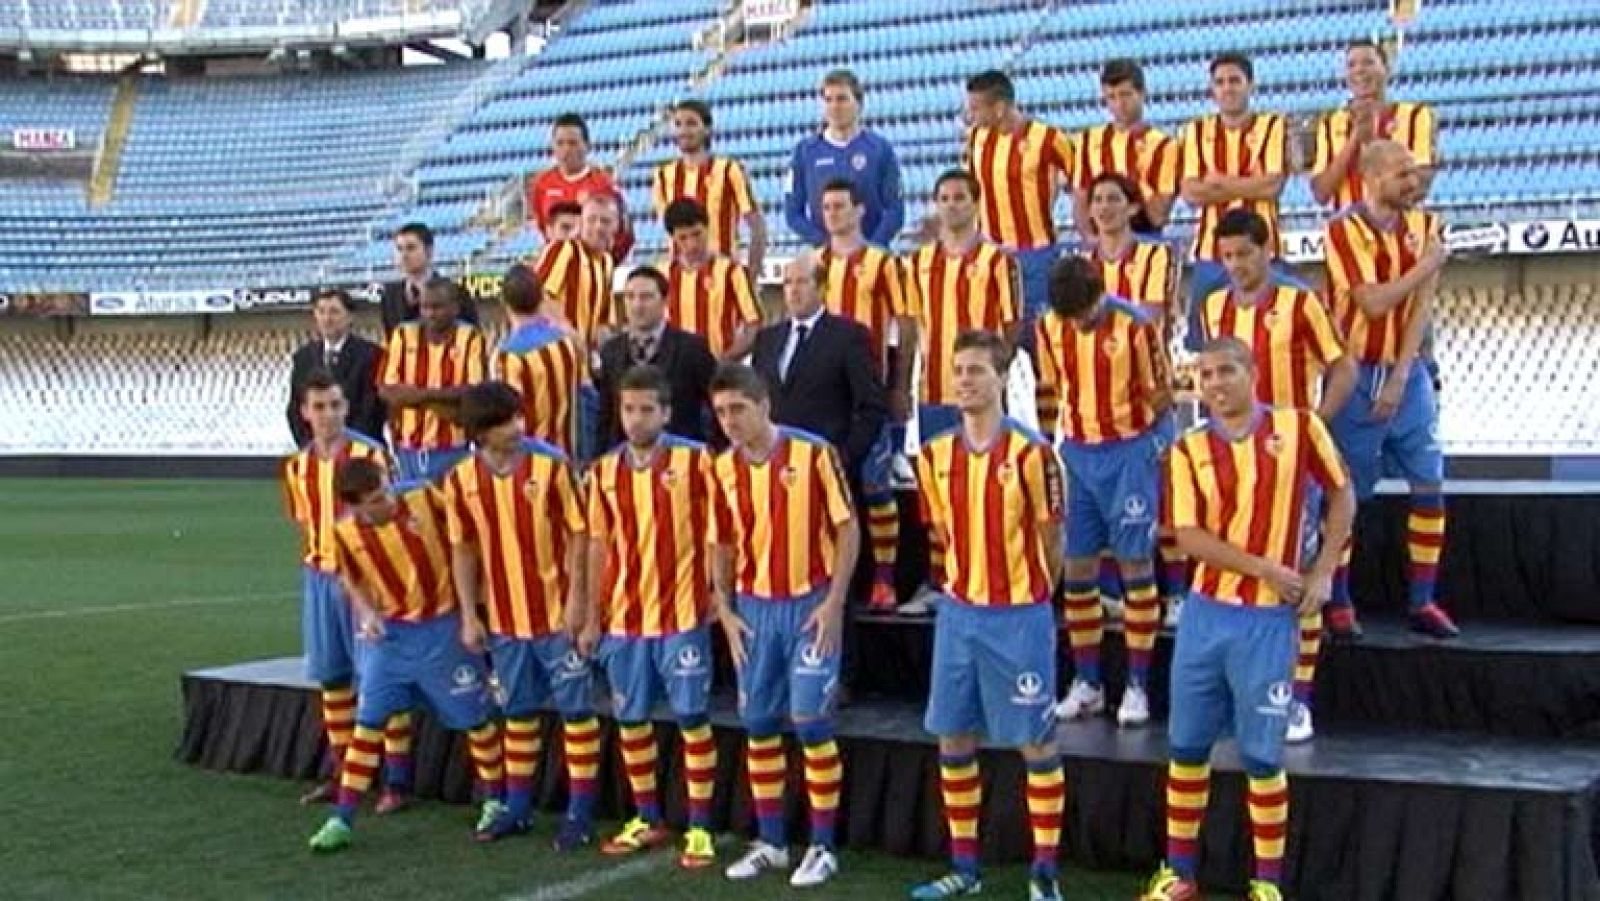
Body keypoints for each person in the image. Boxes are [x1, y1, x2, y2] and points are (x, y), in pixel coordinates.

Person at [1141, 337, 1354, 901]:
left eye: (1225, 370)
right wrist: (1264, 567)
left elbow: (1343, 495)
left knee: (1262, 756)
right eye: (1205, 374)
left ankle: (1267, 884)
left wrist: (1324, 573)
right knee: (1187, 747)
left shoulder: (1300, 427)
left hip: (1267, 622)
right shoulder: (1186, 450)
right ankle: (1178, 876)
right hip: (1206, 616)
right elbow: (1189, 538)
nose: (1214, 383)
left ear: (1252, 372)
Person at [910, 330, 1067, 901]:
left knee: (1035, 743)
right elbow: (941, 533)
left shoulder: (1033, 454)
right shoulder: (934, 456)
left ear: (1002, 378)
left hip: (1019, 616)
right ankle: (965, 869)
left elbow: (1052, 538)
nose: (965, 381)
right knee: (953, 739)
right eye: (958, 370)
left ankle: (1044, 873)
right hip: (959, 616)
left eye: (976, 370)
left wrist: (1032, 595)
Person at [1194, 208, 1357, 742]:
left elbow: (1343, 365)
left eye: (1244, 253)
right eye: (1227, 256)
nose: (1235, 265)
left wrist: (1315, 424)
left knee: (1298, 579)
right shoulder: (1213, 305)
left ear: (1268, 251)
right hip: (1231, 462)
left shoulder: (1299, 301)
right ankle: (1243, 695)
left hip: (1288, 460)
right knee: (1238, 577)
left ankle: (1297, 701)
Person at [708, 363, 859, 888]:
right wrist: (724, 608)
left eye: (738, 409)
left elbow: (848, 528)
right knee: (759, 724)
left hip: (809, 605)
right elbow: (721, 542)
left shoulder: (814, 454)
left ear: (764, 406)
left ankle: (823, 846)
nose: (729, 421)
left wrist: (835, 602)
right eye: (721, 412)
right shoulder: (721, 468)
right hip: (754, 611)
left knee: (811, 722)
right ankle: (772, 842)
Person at [306, 459, 506, 852]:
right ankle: (342, 818)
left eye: (385, 491)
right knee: (368, 724)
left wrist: (473, 612)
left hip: (442, 629)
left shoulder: (425, 496)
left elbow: (466, 539)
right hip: (392, 638)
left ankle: (496, 800)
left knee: (475, 719)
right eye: (375, 501)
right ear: (355, 507)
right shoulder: (344, 532)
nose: (387, 502)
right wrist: (366, 612)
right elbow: (349, 577)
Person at [443, 382, 598, 849]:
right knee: (518, 713)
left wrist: (577, 600)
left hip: (556, 616)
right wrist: (469, 614)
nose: (516, 427)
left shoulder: (551, 465)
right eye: (505, 421)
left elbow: (580, 534)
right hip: (506, 620)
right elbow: (463, 549)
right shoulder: (460, 480)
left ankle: (580, 813)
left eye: (517, 417)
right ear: (481, 432)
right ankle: (518, 808)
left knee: (576, 713)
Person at [584, 365, 721, 869]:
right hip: (624, 617)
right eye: (628, 409)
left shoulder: (697, 461)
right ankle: (647, 817)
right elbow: (597, 544)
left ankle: (701, 827)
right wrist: (591, 613)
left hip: (682, 613)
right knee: (631, 720)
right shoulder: (603, 472)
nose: (636, 419)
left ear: (666, 413)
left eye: (646, 409)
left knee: (692, 719)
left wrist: (717, 592)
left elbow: (719, 531)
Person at [1323, 140, 1459, 639]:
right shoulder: (1342, 230)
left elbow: (1421, 308)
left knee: (1429, 484)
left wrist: (1402, 376)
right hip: (1354, 372)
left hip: (1407, 370)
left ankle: (1423, 600)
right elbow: (1373, 303)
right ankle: (1338, 599)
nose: (1413, 181)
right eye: (1402, 173)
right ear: (1373, 177)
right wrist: (1426, 265)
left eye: (1413, 172)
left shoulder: (1425, 224)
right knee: (1345, 492)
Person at [1037, 257, 1172, 729]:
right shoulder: (1049, 326)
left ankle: (1137, 685)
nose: (1078, 324)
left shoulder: (1136, 327)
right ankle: (1087, 682)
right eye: (1070, 317)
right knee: (1078, 569)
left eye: (1085, 314)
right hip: (1077, 454)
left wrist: (1151, 450)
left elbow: (1162, 395)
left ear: (1101, 295)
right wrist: (1050, 444)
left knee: (1135, 566)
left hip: (1128, 451)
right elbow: (1051, 389)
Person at [751, 255, 887, 679]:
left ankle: (840, 671)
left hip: (828, 475)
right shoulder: (767, 340)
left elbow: (871, 406)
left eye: (801, 282)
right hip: (773, 477)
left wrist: (843, 459)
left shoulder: (848, 336)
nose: (792, 290)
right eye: (787, 283)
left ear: (822, 286)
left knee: (834, 572)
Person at [280, 373, 412, 809]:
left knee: (380, 680)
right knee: (333, 679)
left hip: (368, 582)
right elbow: (303, 522)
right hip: (320, 579)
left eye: (335, 405)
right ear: (304, 413)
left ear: (347, 408)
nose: (328, 415)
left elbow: (391, 516)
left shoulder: (370, 455)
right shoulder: (295, 467)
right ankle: (345, 774)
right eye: (319, 407)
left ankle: (397, 782)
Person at [905, 170, 1020, 604]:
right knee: (939, 492)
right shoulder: (918, 262)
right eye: (944, 198)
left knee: (990, 486)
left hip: (982, 398)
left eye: (959, 197)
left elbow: (1012, 326)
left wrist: (993, 377)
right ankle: (942, 580)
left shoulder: (998, 261)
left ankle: (990, 573)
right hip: (934, 391)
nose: (951, 205)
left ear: (976, 203)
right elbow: (913, 326)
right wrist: (904, 385)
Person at [1082, 172, 1186, 613]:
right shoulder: (1083, 263)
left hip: (1149, 395)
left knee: (1164, 498)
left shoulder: (1156, 255)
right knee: (1106, 500)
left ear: (1132, 207)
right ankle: (1112, 593)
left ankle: (1177, 593)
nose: (1105, 207)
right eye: (1097, 200)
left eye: (1114, 199)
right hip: (1099, 400)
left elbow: (1150, 318)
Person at [817, 177, 917, 607]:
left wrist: (900, 385)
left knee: (877, 487)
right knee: (824, 488)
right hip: (824, 391)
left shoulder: (883, 263)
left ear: (859, 210)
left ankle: (885, 578)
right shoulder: (814, 262)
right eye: (827, 208)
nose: (833, 214)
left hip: (868, 390)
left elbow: (906, 325)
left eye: (840, 206)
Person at [1178, 53, 1295, 347]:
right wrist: (1249, 185)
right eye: (1220, 82)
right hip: (1211, 255)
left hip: (1264, 252)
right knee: (1207, 343)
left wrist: (1218, 181)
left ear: (1250, 85)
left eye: (1234, 80)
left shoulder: (1272, 126)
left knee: (1271, 339)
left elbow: (1272, 186)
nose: (1227, 88)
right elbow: (1191, 193)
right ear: (1212, 90)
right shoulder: (1195, 131)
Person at [963, 69, 1074, 326]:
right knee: (992, 328)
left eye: (976, 109)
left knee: (1037, 328)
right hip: (990, 251)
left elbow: (1080, 178)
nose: (971, 115)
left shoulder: (1048, 138)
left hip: (1036, 252)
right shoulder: (976, 138)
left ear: (999, 108)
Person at [594, 267, 719, 451]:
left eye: (646, 297)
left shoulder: (692, 348)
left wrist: (713, 452)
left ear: (665, 301)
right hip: (626, 460)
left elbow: (716, 404)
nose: (637, 305)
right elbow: (605, 416)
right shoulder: (611, 351)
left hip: (682, 457)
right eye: (630, 297)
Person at [377, 279, 485, 483]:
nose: (430, 314)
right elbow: (386, 390)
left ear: (455, 308)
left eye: (437, 307)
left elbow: (473, 390)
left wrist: (418, 396)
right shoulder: (403, 335)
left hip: (454, 447)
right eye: (425, 307)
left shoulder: (470, 337)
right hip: (408, 448)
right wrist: (444, 402)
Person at [1311, 39, 1438, 211]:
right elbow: (1321, 193)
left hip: (1401, 221)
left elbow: (1421, 182)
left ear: (1387, 69)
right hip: (1349, 224)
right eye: (1351, 65)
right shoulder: (1329, 123)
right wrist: (1355, 139)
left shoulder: (1415, 116)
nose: (1359, 70)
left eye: (1368, 62)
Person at [785, 68, 905, 248]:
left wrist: (871, 248)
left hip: (872, 254)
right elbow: (793, 213)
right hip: (826, 256)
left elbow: (895, 209)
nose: (834, 106)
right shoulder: (805, 152)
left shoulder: (880, 149)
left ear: (859, 104)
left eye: (842, 99)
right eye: (828, 100)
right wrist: (827, 245)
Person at [653, 99, 766, 276]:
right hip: (681, 278)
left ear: (707, 129)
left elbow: (757, 226)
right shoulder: (663, 175)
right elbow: (670, 233)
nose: (683, 130)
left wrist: (751, 275)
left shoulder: (729, 170)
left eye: (691, 123)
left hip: (723, 275)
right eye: (678, 124)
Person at [1073, 59, 1179, 239]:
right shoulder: (1088, 141)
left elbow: (1158, 216)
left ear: (1142, 94)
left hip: (1145, 238)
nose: (1119, 104)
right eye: (1111, 97)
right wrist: (1091, 240)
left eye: (1125, 95)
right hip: (1101, 242)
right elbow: (1080, 201)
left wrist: (1136, 177)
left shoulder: (1164, 146)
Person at [493, 264, 586, 458]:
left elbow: (508, 414)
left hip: (531, 460)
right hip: (569, 451)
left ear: (504, 302)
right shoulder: (567, 341)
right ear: (541, 297)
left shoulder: (508, 355)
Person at [662, 198, 763, 360]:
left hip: (722, 369)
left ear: (708, 228)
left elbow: (754, 324)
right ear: (673, 238)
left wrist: (725, 361)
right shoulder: (663, 275)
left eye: (697, 234)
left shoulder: (731, 271)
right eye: (683, 238)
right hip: (676, 369)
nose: (692, 244)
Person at [526, 112, 634, 262]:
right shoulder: (542, 184)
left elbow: (624, 233)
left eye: (572, 143)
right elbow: (543, 227)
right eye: (560, 143)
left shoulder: (603, 185)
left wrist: (606, 262)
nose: (566, 150)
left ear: (587, 146)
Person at [287, 289, 385, 445]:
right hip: (316, 449)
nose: (327, 318)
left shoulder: (372, 355)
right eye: (321, 312)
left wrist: (343, 446)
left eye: (334, 312)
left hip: (360, 448)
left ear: (350, 317)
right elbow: (295, 410)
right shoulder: (303, 358)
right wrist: (314, 445)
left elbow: (371, 410)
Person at [532, 192, 620, 351]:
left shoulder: (607, 262)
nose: (598, 227)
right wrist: (568, 331)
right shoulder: (565, 249)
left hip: (582, 356)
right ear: (581, 224)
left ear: (615, 226)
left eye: (605, 221)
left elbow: (603, 321)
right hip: (553, 350)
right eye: (592, 220)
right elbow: (539, 296)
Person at [379, 222, 478, 335]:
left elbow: (472, 336)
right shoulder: (390, 295)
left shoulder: (457, 292)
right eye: (399, 249)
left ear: (429, 251)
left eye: (411, 248)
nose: (404, 255)